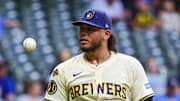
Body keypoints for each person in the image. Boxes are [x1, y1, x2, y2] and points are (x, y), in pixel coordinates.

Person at [44, 9, 154, 101]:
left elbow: (145, 99)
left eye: (90, 29)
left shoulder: (131, 65)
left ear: (106, 34)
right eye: (81, 29)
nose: (83, 33)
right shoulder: (63, 70)